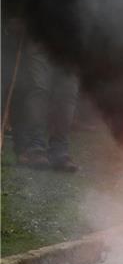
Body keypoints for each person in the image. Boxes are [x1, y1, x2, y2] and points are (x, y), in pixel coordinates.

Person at [11, 37, 80, 172]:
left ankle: (60, 151)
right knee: (40, 89)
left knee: (67, 92)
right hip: (40, 31)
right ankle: (35, 147)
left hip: (73, 35)